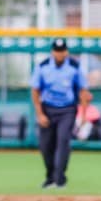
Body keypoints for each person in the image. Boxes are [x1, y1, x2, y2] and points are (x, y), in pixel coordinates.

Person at [30, 38, 89, 189]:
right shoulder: (43, 66)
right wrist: (40, 114)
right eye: (57, 51)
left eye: (62, 51)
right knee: (45, 146)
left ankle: (60, 179)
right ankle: (50, 177)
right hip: (48, 108)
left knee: (63, 142)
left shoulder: (74, 66)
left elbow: (83, 91)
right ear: (52, 52)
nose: (60, 54)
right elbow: (35, 91)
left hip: (67, 110)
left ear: (66, 52)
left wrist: (83, 114)